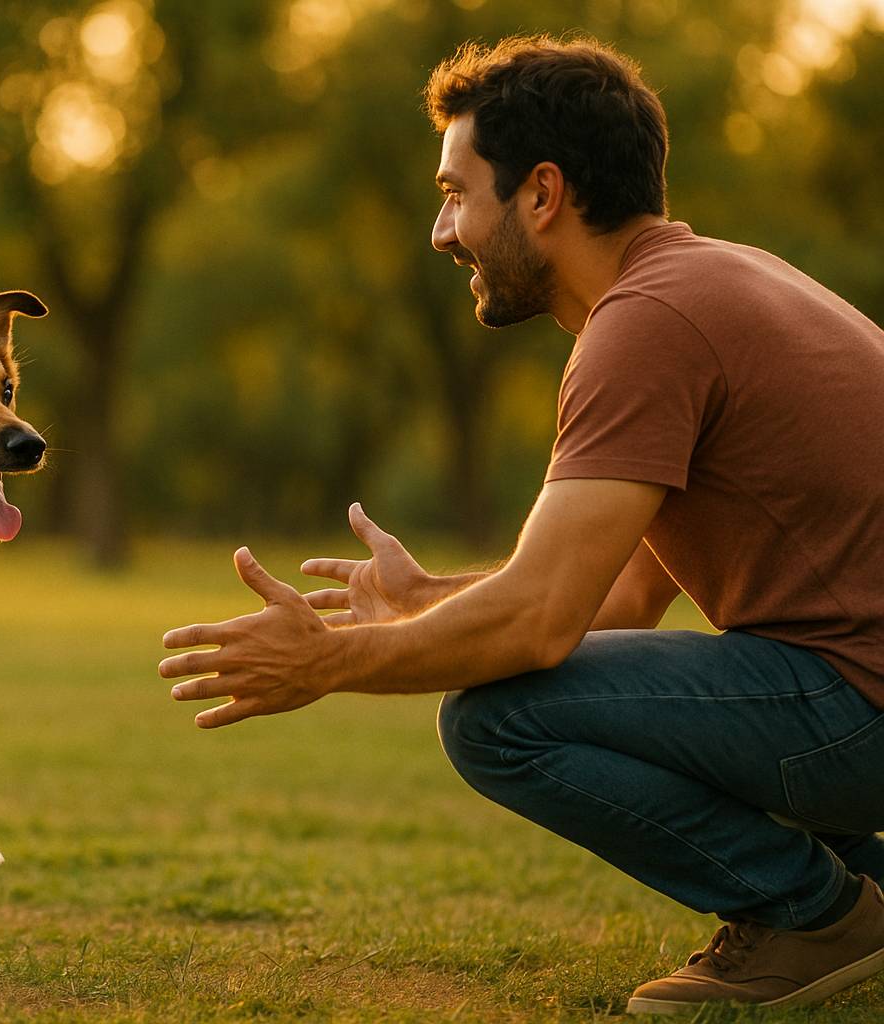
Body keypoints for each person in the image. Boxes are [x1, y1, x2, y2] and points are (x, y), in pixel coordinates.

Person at [159, 35, 884, 1014]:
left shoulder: (647, 326)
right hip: (853, 696)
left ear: (542, 194)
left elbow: (542, 623)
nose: (439, 230)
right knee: (522, 678)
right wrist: (423, 604)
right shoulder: (710, 282)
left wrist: (325, 661)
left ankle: (817, 916)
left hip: (856, 708)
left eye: (457, 193)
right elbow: (621, 597)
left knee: (500, 718)